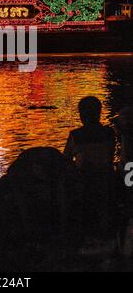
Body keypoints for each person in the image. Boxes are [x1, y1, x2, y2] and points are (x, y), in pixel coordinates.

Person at [64, 96, 116, 241]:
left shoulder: (76, 135)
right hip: (106, 178)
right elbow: (110, 156)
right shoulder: (109, 133)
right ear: (99, 113)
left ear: (81, 115)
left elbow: (66, 159)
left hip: (84, 180)